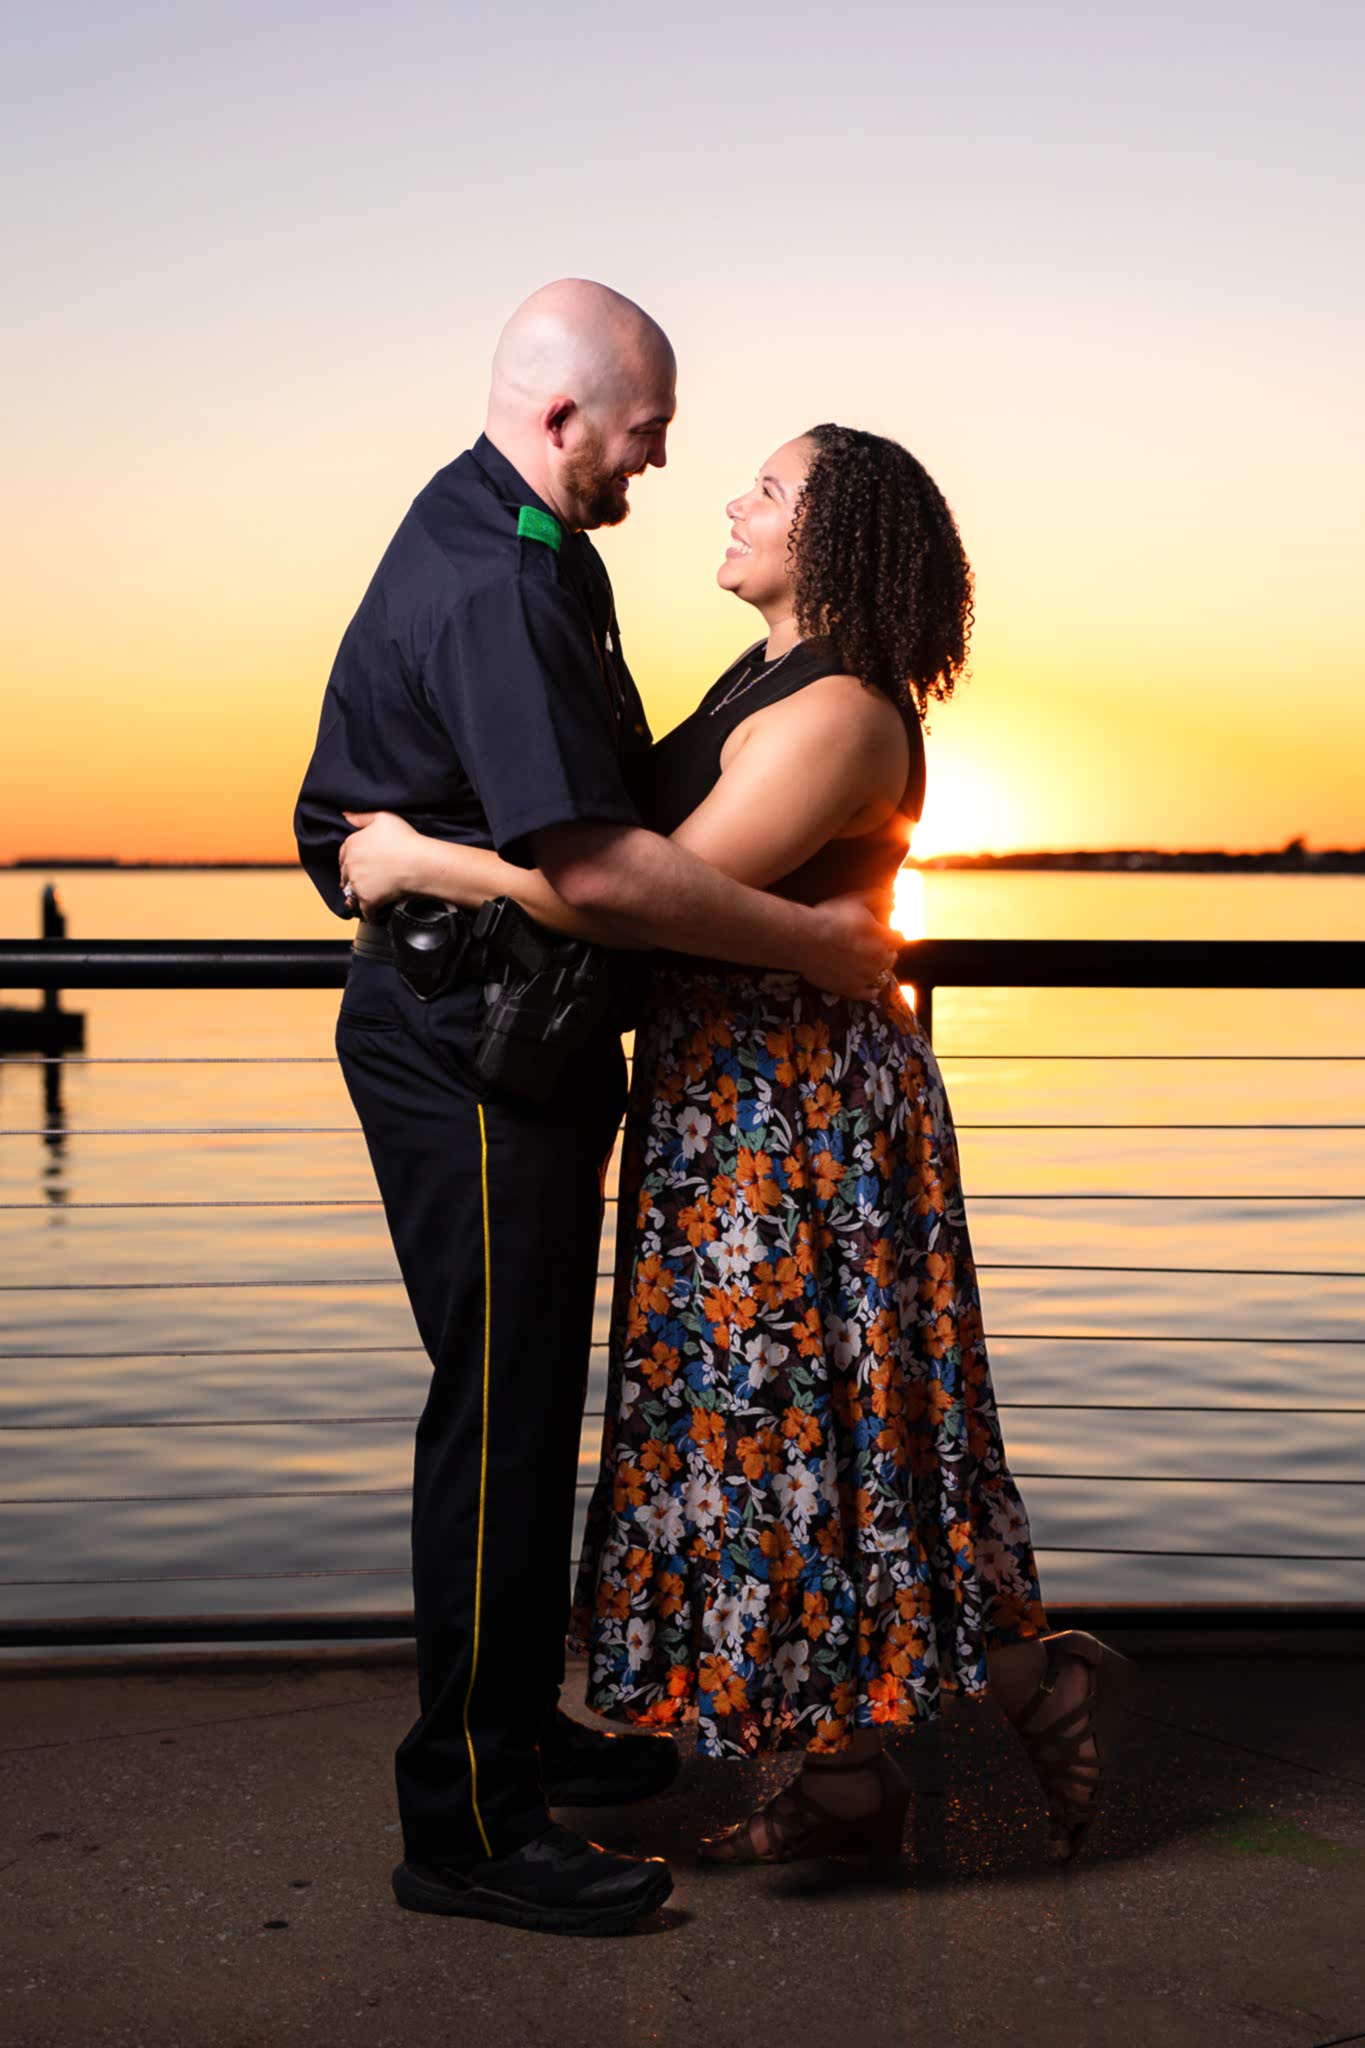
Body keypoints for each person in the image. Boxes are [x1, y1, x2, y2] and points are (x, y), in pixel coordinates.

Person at [339, 421, 1129, 1870]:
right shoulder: (763, 680)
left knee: (823, 1430)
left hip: (801, 1117)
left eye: (767, 489)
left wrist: (415, 857)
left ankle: (1034, 1685)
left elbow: (642, 894)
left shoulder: (836, 712)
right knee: (774, 1440)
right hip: (727, 1107)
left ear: (832, 540)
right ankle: (839, 1782)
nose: (731, 499)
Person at [294, 282, 897, 1936]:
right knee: (495, 1427)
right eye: (650, 429)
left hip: (506, 1034)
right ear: (565, 422)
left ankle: (509, 1738)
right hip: (474, 1046)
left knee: (513, 1408)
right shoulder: (501, 576)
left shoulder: (532, 547)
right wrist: (828, 949)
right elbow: (609, 871)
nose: (665, 457)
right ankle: (471, 1827)